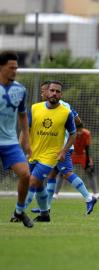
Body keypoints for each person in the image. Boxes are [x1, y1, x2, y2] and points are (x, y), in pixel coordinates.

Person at [27, 81, 98, 215]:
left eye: (44, 91)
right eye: (43, 91)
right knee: (52, 175)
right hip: (52, 148)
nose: (43, 94)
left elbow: (76, 123)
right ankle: (46, 207)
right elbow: (79, 121)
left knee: (66, 173)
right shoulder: (55, 106)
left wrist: (71, 133)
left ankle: (89, 198)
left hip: (60, 147)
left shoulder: (63, 108)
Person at [23, 80, 77, 222]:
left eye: (57, 91)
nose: (54, 93)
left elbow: (73, 133)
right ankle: (44, 214)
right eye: (52, 90)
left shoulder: (66, 113)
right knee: (39, 184)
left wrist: (64, 151)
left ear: (61, 94)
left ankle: (19, 212)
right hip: (34, 153)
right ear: (46, 92)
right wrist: (23, 145)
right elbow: (26, 128)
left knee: (32, 181)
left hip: (51, 155)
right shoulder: (35, 108)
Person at [0, 51, 33, 228]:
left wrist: (26, 140)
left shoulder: (20, 89)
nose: (15, 70)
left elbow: (22, 116)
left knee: (25, 174)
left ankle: (19, 211)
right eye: (11, 67)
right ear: (1, 67)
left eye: (16, 67)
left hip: (10, 142)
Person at [71, 122, 99, 197]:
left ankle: (95, 193)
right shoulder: (70, 133)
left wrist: (88, 161)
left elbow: (87, 148)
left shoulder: (87, 134)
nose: (79, 132)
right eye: (77, 130)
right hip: (73, 153)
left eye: (80, 130)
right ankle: (55, 193)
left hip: (83, 154)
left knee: (90, 172)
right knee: (63, 171)